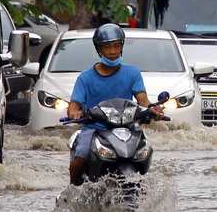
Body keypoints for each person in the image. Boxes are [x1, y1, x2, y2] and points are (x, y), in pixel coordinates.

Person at [66, 23, 162, 186]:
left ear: (122, 47)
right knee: (81, 156)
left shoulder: (133, 73)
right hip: (95, 129)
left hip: (126, 129)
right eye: (107, 47)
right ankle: (71, 191)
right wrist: (75, 113)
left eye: (117, 46)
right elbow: (74, 106)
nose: (112, 51)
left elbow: (143, 102)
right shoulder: (85, 78)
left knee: (144, 152)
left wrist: (153, 111)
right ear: (99, 49)